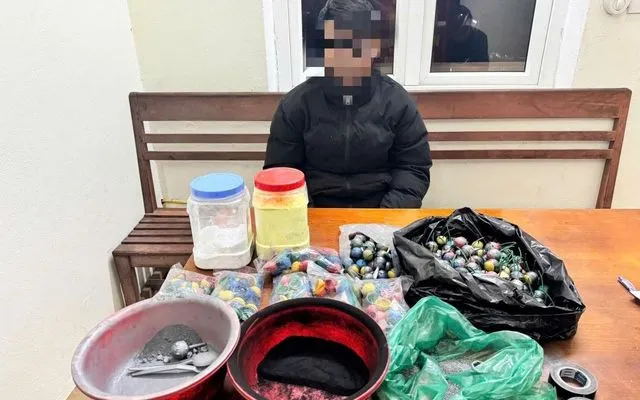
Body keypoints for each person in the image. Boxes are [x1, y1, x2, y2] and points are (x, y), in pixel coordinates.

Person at [264, 0, 432, 208]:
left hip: (380, 210)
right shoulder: (296, 105)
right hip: (315, 210)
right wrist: (308, 216)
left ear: (374, 48)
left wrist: (384, 216)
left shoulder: (397, 102)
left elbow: (413, 168)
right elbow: (281, 172)